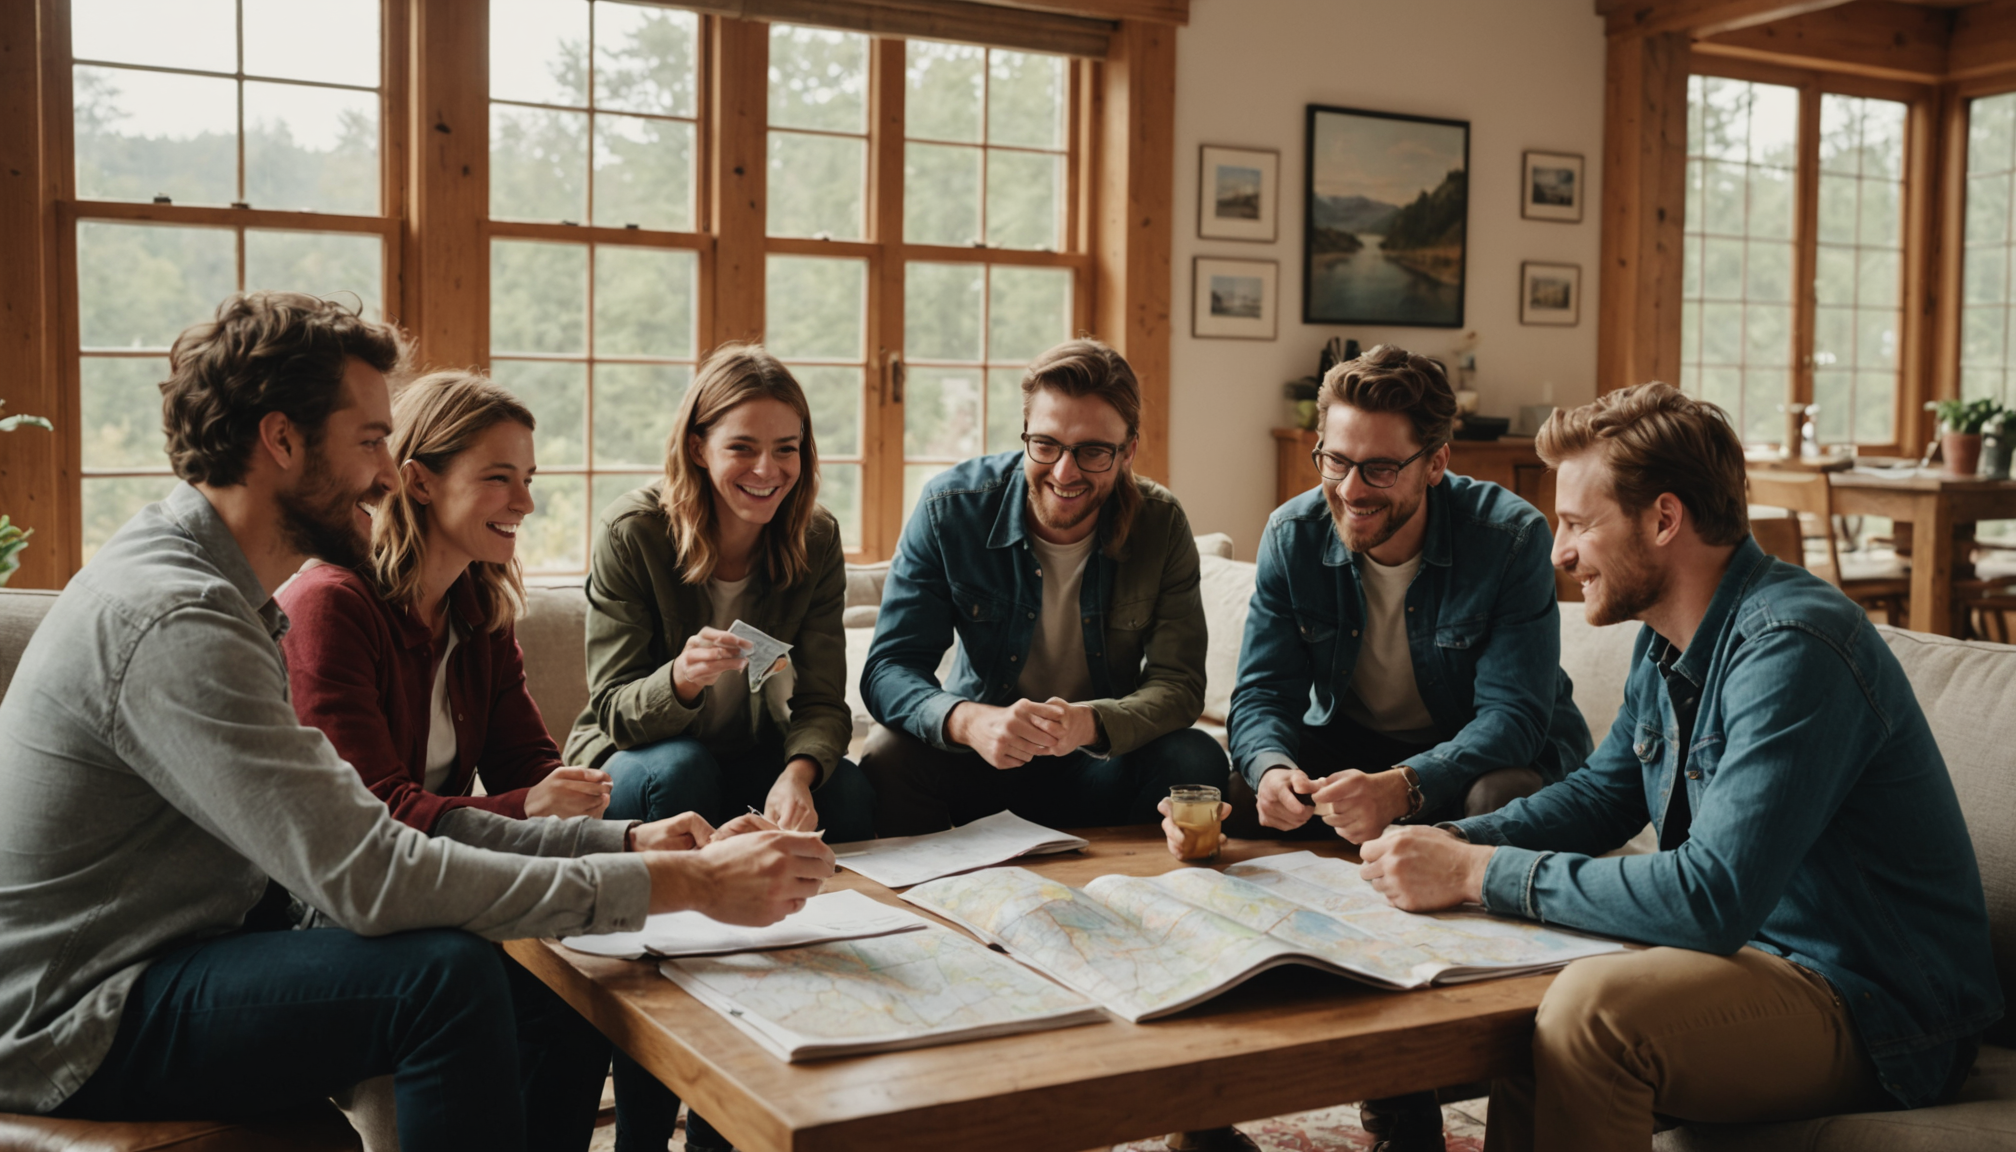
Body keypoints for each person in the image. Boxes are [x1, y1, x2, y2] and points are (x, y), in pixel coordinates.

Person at [0, 293, 834, 1152]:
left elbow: (379, 833)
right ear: (282, 440)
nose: (389, 474)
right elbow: (372, 872)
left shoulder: (222, 592)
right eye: (371, 441)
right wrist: (687, 885)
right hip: (75, 1015)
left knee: (515, 961)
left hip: (173, 957)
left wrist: (623, 844)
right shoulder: (183, 617)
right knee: (442, 979)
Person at [1355, 383, 2001, 1151]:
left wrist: (1475, 873)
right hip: (1753, 960)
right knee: (1531, 994)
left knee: (1592, 1013)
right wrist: (1449, 842)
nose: (1559, 552)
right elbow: (1601, 796)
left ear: (1664, 519)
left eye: (1577, 524)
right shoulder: (1665, 640)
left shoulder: (1794, 647)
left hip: (1875, 1004)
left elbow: (1710, 896)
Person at [276, 370, 750, 1150]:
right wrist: (534, 808)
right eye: (499, 478)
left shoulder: (479, 608)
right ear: (418, 481)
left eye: (528, 478)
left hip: (441, 876)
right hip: (337, 905)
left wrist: (630, 834)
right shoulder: (331, 605)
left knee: (589, 976)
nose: (525, 502)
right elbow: (374, 820)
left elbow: (529, 765)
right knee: (536, 978)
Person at [1201, 344, 1592, 1150]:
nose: (1351, 488)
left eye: (1379, 469)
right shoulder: (1293, 533)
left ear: (1436, 462)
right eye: (1335, 460)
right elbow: (1261, 697)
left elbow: (1513, 720)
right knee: (1233, 788)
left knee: (1495, 801)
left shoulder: (1509, 536)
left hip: (1484, 760)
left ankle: (1420, 1089)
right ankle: (1210, 1083)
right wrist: (1273, 769)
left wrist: (1404, 786)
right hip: (1356, 743)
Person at [563, 343, 873, 1151]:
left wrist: (800, 774)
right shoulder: (636, 532)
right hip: (640, 763)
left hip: (748, 757)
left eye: (787, 449)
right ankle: (644, 1128)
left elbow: (821, 701)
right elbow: (614, 710)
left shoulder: (813, 538)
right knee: (683, 773)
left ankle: (738, 1105)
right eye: (743, 447)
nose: (768, 471)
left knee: (850, 794)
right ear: (699, 446)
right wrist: (682, 679)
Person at [859, 338, 1226, 834]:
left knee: (1195, 759)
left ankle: (1129, 879)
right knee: (886, 753)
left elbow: (1179, 685)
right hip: (981, 758)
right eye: (1046, 444)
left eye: (1092, 451)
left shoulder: (1160, 523)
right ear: (1025, 434)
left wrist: (1089, 723)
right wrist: (969, 721)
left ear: (1128, 452)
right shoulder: (950, 509)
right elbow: (889, 668)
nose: (1064, 472)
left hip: (1099, 763)